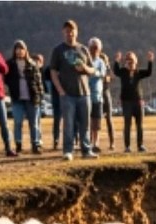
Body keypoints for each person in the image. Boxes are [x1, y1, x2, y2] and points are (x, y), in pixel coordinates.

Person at [49, 19, 96, 161]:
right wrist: (60, 90)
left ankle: (86, 150)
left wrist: (85, 68)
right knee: (68, 124)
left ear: (77, 32)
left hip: (84, 93)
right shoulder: (58, 50)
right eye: (67, 31)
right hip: (67, 94)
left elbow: (92, 69)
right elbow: (53, 72)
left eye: (72, 30)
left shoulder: (83, 49)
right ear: (63, 33)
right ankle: (68, 151)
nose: (70, 33)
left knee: (85, 124)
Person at [4, 39, 43, 155]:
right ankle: (18, 144)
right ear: (14, 51)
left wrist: (40, 95)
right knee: (18, 122)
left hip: (32, 96)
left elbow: (38, 81)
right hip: (17, 98)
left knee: (34, 122)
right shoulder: (10, 64)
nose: (20, 51)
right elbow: (6, 80)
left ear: (26, 50)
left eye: (22, 49)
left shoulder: (32, 64)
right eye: (17, 49)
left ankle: (35, 144)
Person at [113, 49, 153, 152]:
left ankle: (140, 145)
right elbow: (116, 71)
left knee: (139, 125)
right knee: (127, 125)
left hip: (138, 102)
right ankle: (127, 146)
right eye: (128, 60)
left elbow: (148, 72)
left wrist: (150, 61)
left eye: (132, 60)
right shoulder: (122, 72)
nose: (130, 63)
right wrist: (117, 61)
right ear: (125, 62)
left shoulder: (138, 73)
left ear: (136, 61)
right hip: (126, 102)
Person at [86, 37, 109, 153]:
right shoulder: (86, 60)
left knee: (97, 121)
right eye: (92, 47)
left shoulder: (101, 62)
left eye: (96, 47)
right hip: (86, 94)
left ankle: (96, 143)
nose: (94, 50)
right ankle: (88, 143)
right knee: (87, 121)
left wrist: (93, 72)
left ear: (100, 49)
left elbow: (103, 74)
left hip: (97, 95)